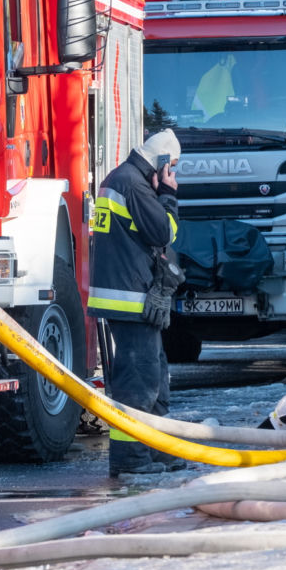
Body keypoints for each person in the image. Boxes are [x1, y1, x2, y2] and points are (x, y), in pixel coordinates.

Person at [88, 129, 186, 476]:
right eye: (173, 166)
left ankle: (155, 448)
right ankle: (130, 459)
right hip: (130, 299)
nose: (174, 173)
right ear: (162, 162)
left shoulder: (122, 178)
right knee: (138, 384)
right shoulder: (134, 185)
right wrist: (169, 196)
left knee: (155, 376)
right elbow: (163, 233)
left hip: (130, 295)